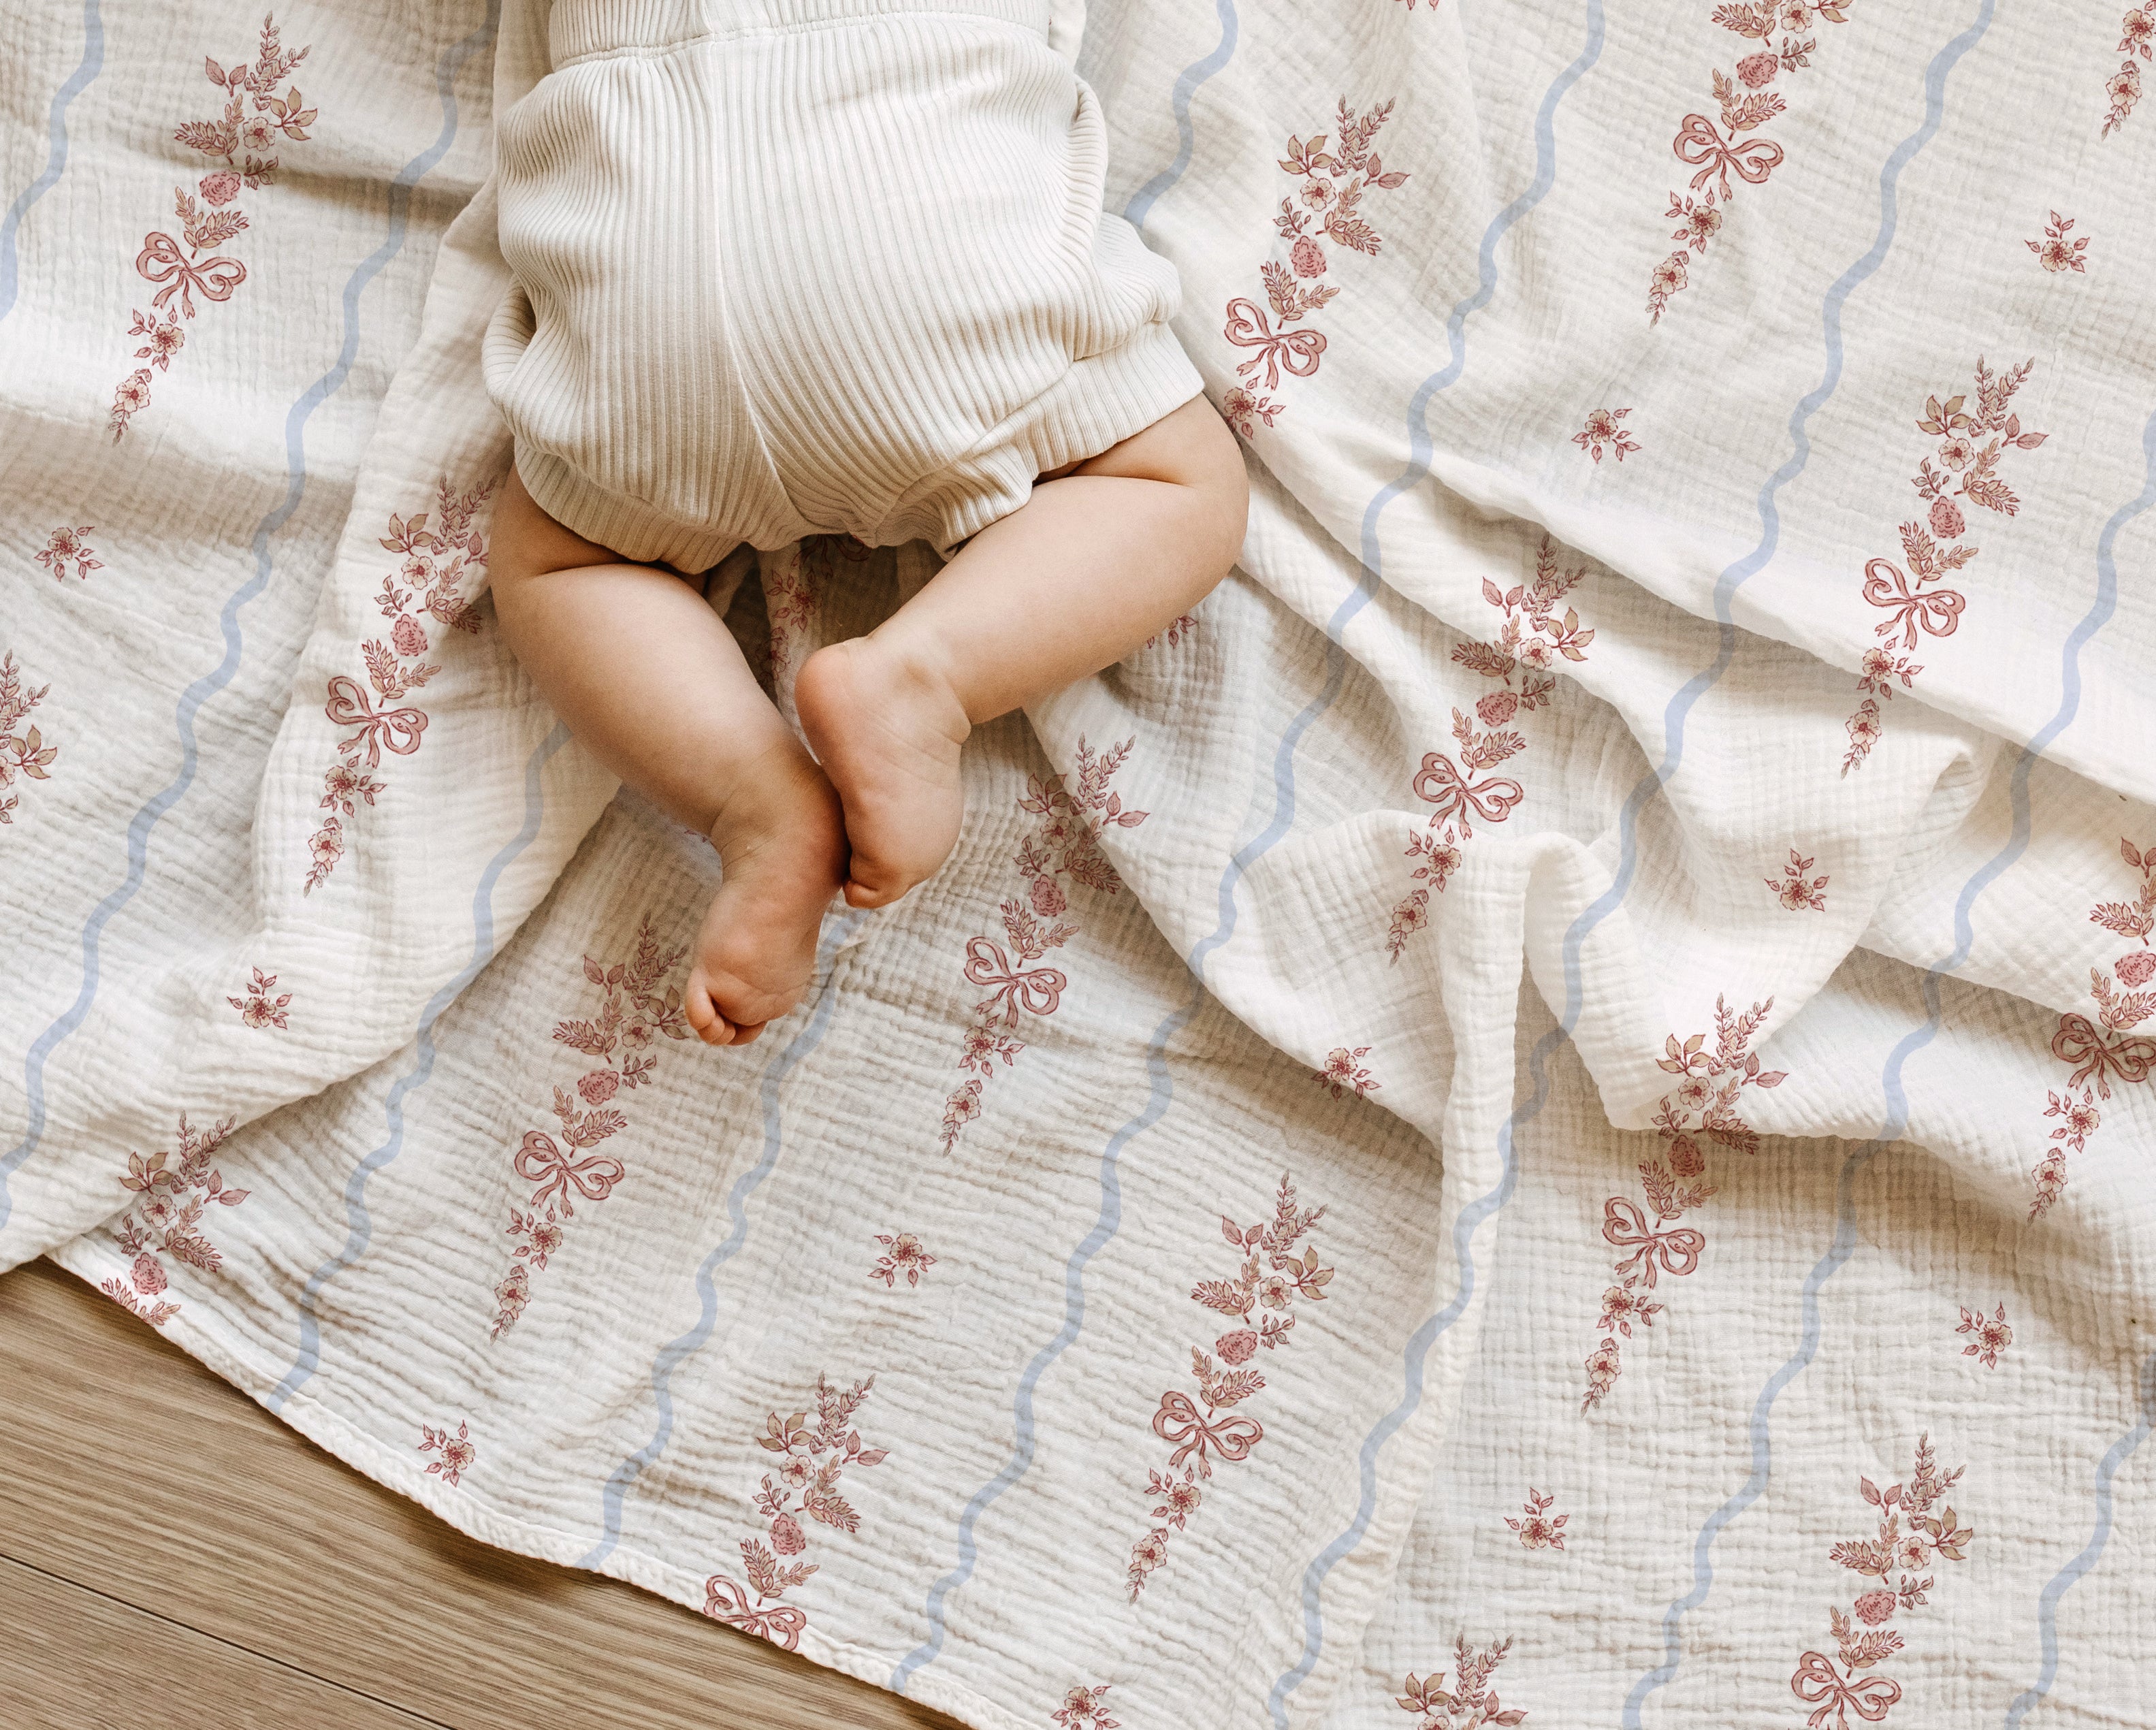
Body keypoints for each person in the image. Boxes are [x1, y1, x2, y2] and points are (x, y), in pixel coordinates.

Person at [482, 0, 1247, 1046]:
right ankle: (923, 677)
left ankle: (759, 802)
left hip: (645, 319)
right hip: (917, 254)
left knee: (558, 565)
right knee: (1181, 488)